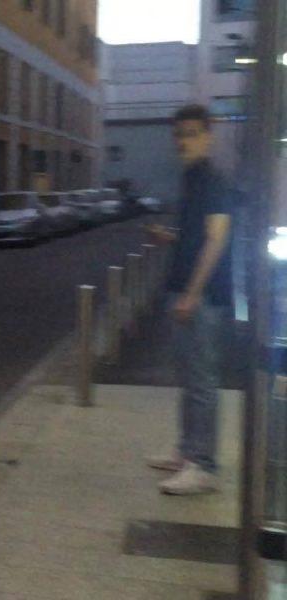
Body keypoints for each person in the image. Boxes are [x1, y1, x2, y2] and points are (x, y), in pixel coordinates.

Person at [145, 104, 233, 496]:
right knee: (188, 377)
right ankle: (186, 452)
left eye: (192, 134)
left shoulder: (213, 180)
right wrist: (170, 237)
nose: (184, 141)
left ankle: (204, 466)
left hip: (203, 297)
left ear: (208, 136)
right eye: (179, 135)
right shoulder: (192, 178)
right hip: (184, 291)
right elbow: (197, 236)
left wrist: (193, 294)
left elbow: (217, 238)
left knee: (201, 382)